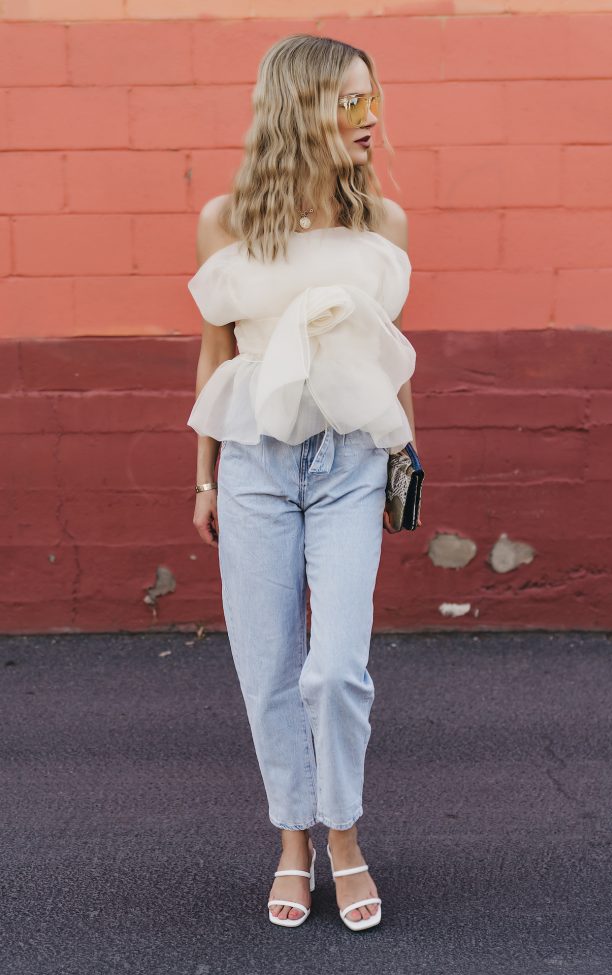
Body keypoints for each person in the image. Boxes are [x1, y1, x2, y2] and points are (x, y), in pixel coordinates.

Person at [187, 33, 420, 931]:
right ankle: (295, 838)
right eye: (348, 102)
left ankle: (346, 833)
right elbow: (215, 350)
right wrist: (202, 476)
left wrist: (408, 457)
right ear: (299, 108)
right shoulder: (226, 221)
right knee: (268, 667)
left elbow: (392, 355)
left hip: (353, 461)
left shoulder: (382, 226)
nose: (370, 119)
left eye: (374, 99)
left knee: (335, 669)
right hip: (253, 461)